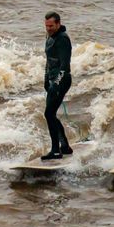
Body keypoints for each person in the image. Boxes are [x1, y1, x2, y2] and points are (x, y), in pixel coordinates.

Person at [41, 11, 73, 160]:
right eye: (46, 26)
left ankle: (55, 150)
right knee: (51, 113)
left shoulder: (63, 39)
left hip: (62, 80)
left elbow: (64, 66)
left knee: (48, 113)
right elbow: (49, 61)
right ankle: (64, 146)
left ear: (58, 24)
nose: (49, 28)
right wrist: (46, 79)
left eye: (51, 26)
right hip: (53, 80)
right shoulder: (49, 37)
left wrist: (56, 84)